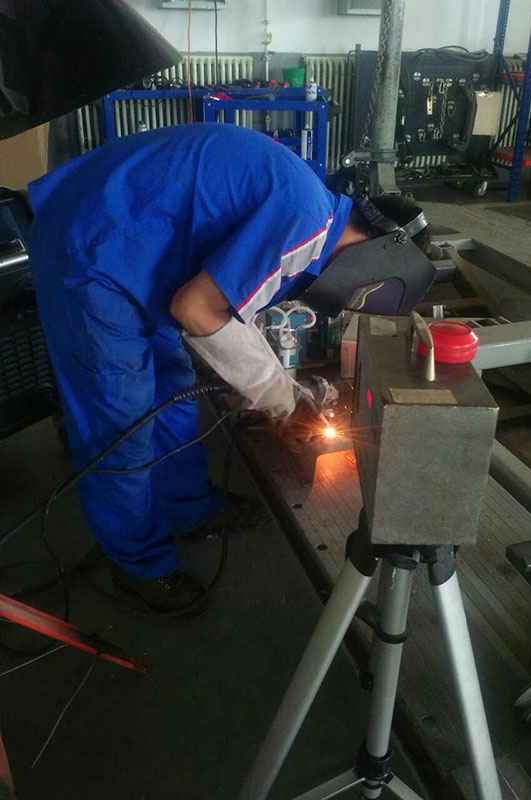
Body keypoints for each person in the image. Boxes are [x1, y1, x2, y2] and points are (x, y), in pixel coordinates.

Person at [28, 123, 433, 616]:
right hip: (94, 250)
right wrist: (283, 400)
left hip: (141, 248)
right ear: (382, 253)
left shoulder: (314, 208)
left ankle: (187, 507)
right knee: (121, 420)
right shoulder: (306, 222)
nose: (356, 299)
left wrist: (275, 388)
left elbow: (226, 308)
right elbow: (197, 310)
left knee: (173, 386)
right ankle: (138, 563)